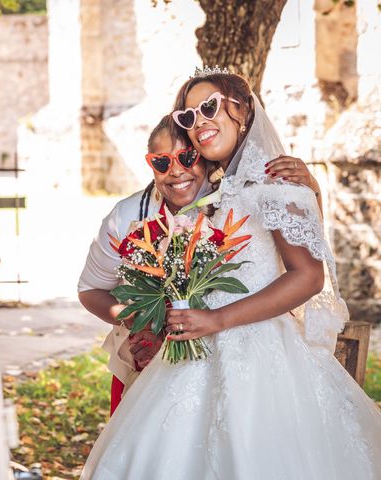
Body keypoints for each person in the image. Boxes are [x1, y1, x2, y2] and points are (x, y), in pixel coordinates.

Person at [80, 71, 381, 479]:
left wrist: (217, 319)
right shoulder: (225, 188)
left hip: (261, 358)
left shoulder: (274, 179)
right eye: (188, 116)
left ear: (242, 110)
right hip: (195, 352)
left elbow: (308, 276)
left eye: (210, 107)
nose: (199, 121)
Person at [78, 109, 322, 415]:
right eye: (162, 162)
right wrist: (139, 322)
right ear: (150, 165)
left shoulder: (237, 206)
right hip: (147, 370)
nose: (176, 171)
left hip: (240, 361)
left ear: (205, 158)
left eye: (187, 158)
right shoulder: (127, 217)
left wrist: (311, 189)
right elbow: (90, 290)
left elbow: (303, 251)